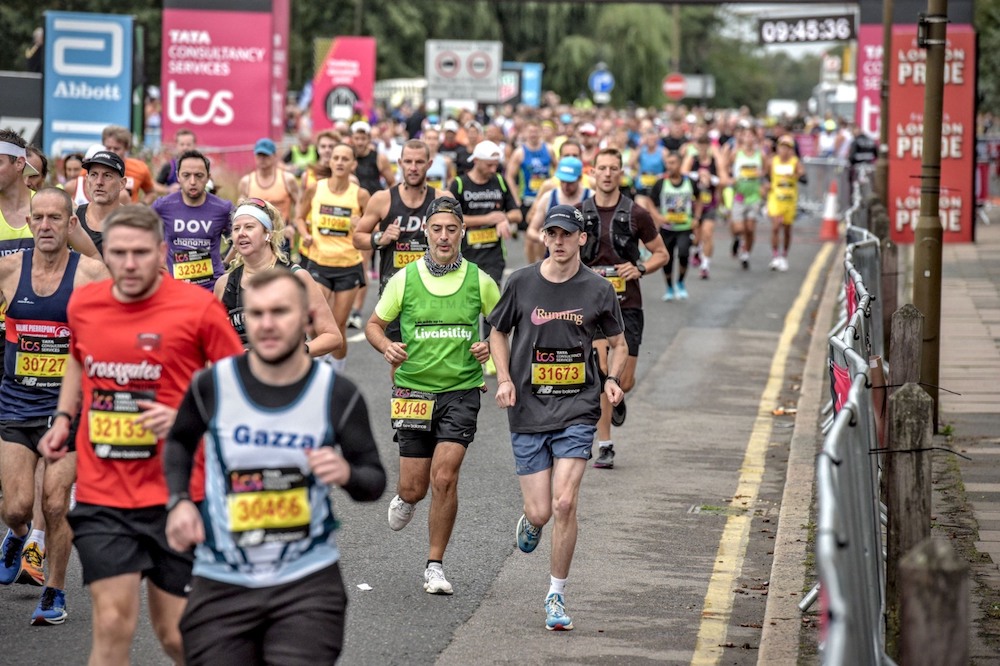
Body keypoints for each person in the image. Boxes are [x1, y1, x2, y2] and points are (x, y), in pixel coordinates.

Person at [38, 205, 244, 665]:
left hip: (178, 494)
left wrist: (187, 417)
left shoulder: (198, 307)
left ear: (162, 251)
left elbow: (240, 385)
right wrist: (64, 419)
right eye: (118, 254)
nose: (129, 265)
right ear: (103, 253)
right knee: (112, 624)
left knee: (176, 635)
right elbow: (78, 357)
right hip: (104, 492)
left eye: (140, 253)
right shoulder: (86, 303)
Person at [164, 268, 385, 664]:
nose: (266, 324)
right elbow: (179, 442)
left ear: (304, 318)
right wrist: (179, 501)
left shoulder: (336, 394)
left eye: (279, 312)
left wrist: (346, 474)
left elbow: (374, 480)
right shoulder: (213, 385)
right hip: (222, 581)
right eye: (256, 313)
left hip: (306, 584)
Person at [487, 204, 627, 631]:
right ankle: (531, 521)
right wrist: (505, 378)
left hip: (577, 408)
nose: (560, 241)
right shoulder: (522, 282)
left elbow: (618, 342)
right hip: (528, 408)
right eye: (553, 234)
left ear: (582, 238)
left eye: (568, 234)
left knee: (566, 502)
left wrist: (612, 379)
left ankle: (555, 595)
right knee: (541, 512)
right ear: (544, 237)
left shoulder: (598, 289)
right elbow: (496, 330)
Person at [364, 196, 498, 595]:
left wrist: (489, 344)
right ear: (426, 232)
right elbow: (374, 324)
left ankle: (435, 565)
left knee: (445, 476)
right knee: (414, 487)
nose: (444, 236)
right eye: (436, 228)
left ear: (461, 233)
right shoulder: (404, 279)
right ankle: (406, 498)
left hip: (461, 390)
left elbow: (507, 326)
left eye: (451, 229)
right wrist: (385, 347)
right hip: (413, 390)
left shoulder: (479, 280)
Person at [0, 187, 109, 624]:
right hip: (15, 400)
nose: (45, 226)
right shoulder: (8, 270)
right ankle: (19, 535)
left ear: (70, 224)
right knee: (16, 505)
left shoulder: (90, 274)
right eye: (38, 218)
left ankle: (54, 592)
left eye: (55, 219)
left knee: (56, 501)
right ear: (29, 224)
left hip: (67, 407)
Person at [580, 148, 668, 468]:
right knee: (603, 372)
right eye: (601, 168)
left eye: (613, 168)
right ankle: (605, 445)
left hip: (627, 304)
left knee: (623, 380)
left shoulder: (637, 214)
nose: (607, 174)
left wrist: (640, 269)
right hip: (592, 307)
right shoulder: (579, 213)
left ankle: (618, 395)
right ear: (592, 172)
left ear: (620, 173)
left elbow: (660, 253)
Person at [216, 198, 344, 359]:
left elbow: (333, 337)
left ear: (267, 234)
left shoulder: (297, 277)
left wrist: (290, 353)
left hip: (286, 375)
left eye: (249, 227)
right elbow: (215, 341)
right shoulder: (224, 284)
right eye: (236, 228)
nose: (241, 233)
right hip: (240, 377)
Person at [353, 140, 446, 343]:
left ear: (429, 164)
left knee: (432, 354)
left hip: (434, 287)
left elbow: (458, 241)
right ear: (400, 163)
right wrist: (381, 237)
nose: (413, 167)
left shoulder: (442, 199)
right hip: (394, 288)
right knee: (399, 357)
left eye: (419, 162)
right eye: (408, 161)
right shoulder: (382, 199)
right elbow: (357, 238)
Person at [296, 143, 369, 367]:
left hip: (348, 266)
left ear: (353, 164)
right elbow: (299, 217)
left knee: (337, 328)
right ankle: (319, 367)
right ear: (330, 161)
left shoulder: (360, 195)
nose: (339, 162)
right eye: (336, 158)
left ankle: (337, 371)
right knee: (316, 321)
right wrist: (304, 234)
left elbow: (373, 230)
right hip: (319, 263)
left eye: (345, 159)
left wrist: (361, 226)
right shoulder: (316, 189)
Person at [152, 150, 233, 291]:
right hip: (174, 288)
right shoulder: (162, 206)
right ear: (177, 176)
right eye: (186, 175)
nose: (193, 181)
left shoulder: (223, 208)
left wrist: (226, 263)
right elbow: (141, 235)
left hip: (211, 288)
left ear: (208, 177)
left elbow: (244, 235)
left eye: (199, 175)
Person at [637, 152, 703, 302]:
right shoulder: (661, 183)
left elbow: (699, 198)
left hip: (685, 227)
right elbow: (650, 201)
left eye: (672, 163)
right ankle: (669, 287)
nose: (669, 166)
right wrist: (657, 216)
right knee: (668, 258)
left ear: (680, 164)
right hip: (667, 229)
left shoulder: (690, 182)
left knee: (684, 254)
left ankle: (680, 282)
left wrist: (697, 217)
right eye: (667, 163)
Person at [237, 138, 301, 251]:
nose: (262, 159)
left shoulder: (287, 179)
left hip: (281, 235)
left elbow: (299, 203)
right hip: (256, 237)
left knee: (281, 268)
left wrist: (293, 226)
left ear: (274, 156)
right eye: (259, 155)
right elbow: (240, 210)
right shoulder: (246, 182)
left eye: (266, 155)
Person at [74, 149, 130, 257]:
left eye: (107, 175)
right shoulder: (73, 219)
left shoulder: (134, 223)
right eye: (94, 175)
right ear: (87, 180)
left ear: (122, 184)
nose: (99, 182)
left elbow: (159, 269)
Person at [728, 124, 766, 270]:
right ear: (742, 137)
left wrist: (761, 177)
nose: (749, 138)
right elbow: (726, 168)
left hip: (754, 195)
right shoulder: (735, 153)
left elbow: (766, 170)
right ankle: (737, 240)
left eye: (752, 135)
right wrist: (731, 179)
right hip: (739, 194)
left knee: (750, 229)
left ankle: (746, 254)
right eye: (746, 135)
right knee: (739, 228)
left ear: (756, 138)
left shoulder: (760, 154)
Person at [506, 120, 555, 229]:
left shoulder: (549, 149)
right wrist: (515, 199)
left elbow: (557, 169)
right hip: (527, 199)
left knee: (547, 232)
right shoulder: (520, 152)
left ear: (540, 133)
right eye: (530, 131)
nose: (533, 134)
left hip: (545, 198)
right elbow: (509, 176)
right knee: (528, 234)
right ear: (525, 133)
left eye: (536, 131)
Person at [766, 135, 805, 272]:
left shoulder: (794, 162)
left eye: (787, 147)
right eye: (782, 147)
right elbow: (766, 176)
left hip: (789, 200)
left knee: (787, 229)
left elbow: (802, 173)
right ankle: (775, 256)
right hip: (776, 199)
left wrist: (794, 176)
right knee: (776, 226)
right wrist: (766, 186)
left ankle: (784, 255)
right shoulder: (772, 161)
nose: (784, 150)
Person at [101, 125, 161, 203]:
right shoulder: (94, 168)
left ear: (126, 148)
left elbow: (151, 192)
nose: (112, 152)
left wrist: (142, 205)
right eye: (108, 148)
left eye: (116, 148)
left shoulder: (139, 167)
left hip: (129, 213)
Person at [155, 129, 197, 194]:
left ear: (194, 145)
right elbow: (155, 186)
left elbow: (210, 186)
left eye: (188, 145)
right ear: (176, 145)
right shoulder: (169, 166)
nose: (185, 148)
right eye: (182, 144)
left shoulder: (201, 165)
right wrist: (168, 189)